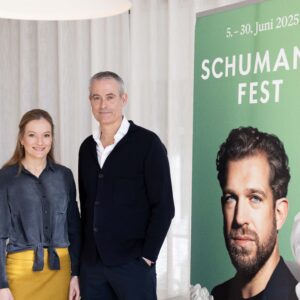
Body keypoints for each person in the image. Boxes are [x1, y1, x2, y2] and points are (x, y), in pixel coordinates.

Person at [78, 71, 175, 300]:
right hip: (92, 268)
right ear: (90, 101)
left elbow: (164, 207)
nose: (103, 105)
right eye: (96, 97)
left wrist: (147, 257)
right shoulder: (86, 148)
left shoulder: (148, 144)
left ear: (124, 99)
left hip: (133, 266)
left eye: (110, 97)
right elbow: (87, 207)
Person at [0, 109, 81, 300]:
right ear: (21, 139)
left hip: (61, 271)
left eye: (46, 135)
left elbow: (74, 229)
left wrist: (76, 274)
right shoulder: (6, 178)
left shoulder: (64, 176)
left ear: (52, 139)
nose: (40, 142)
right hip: (19, 273)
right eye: (32, 135)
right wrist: (1, 285)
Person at [211, 127, 298, 300]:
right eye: (231, 198)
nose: (239, 218)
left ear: (279, 213)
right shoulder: (215, 295)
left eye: (255, 198)